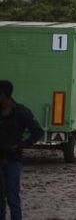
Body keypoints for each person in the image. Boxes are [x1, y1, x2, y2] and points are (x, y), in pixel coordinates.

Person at [1, 81, 43, 220]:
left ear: (5, 96)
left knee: (12, 197)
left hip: (13, 159)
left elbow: (37, 131)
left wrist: (23, 144)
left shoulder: (21, 112)